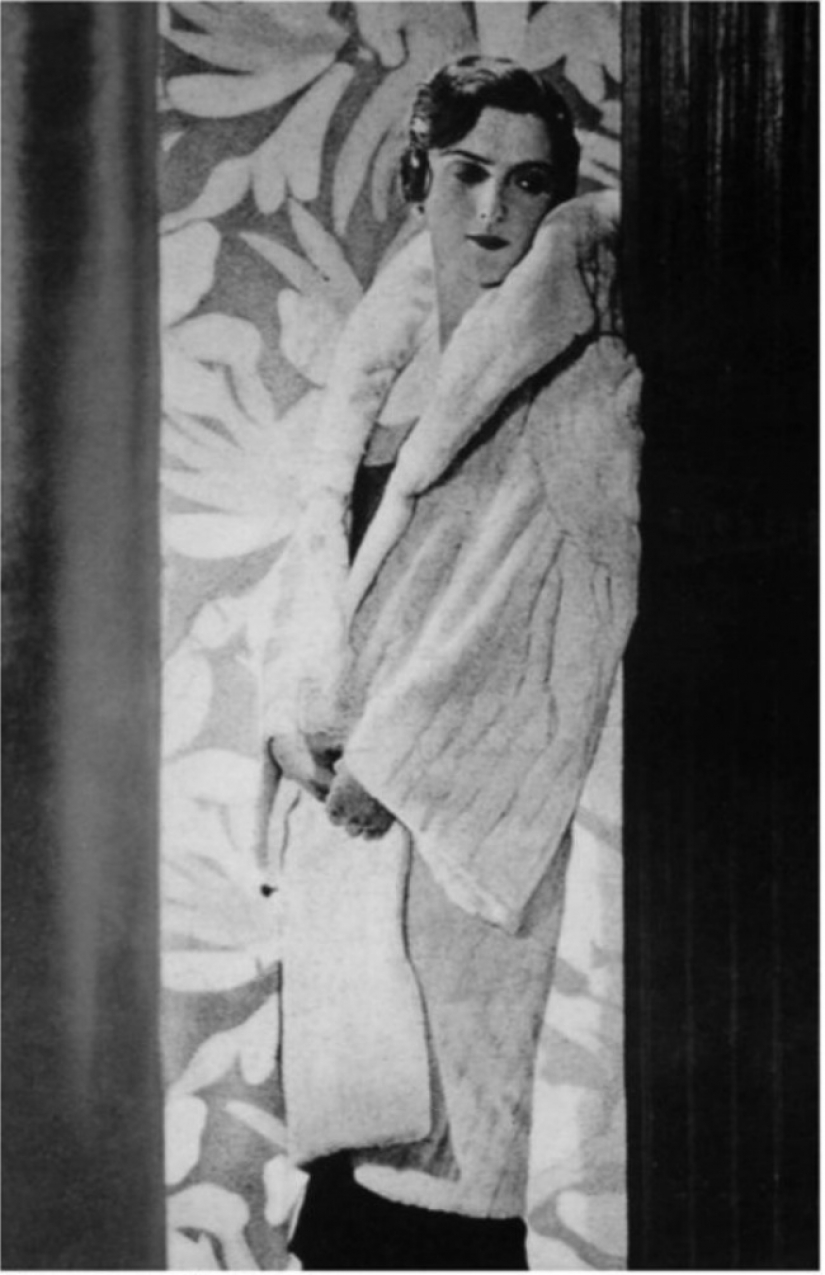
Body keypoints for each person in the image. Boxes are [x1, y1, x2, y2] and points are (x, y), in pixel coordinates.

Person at [260, 56, 641, 1270]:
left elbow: (549, 605)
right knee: (349, 1181)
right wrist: (291, 717)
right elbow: (315, 562)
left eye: (528, 184)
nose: (492, 212)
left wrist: (393, 759)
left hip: (450, 828)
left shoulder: (578, 375)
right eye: (469, 173)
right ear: (419, 176)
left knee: (443, 1201)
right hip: (345, 822)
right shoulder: (379, 362)